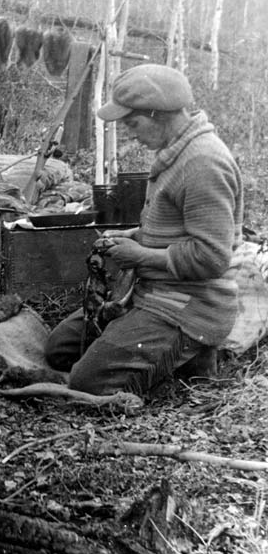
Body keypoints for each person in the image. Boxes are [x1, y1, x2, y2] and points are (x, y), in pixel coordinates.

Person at [45, 64, 244, 396]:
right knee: (60, 349)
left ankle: (191, 361)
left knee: (86, 382)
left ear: (159, 113)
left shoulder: (203, 164)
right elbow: (178, 229)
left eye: (133, 124)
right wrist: (134, 237)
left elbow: (212, 256)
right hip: (150, 293)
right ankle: (161, 351)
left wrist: (139, 255)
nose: (132, 136)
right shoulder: (175, 152)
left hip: (187, 307)